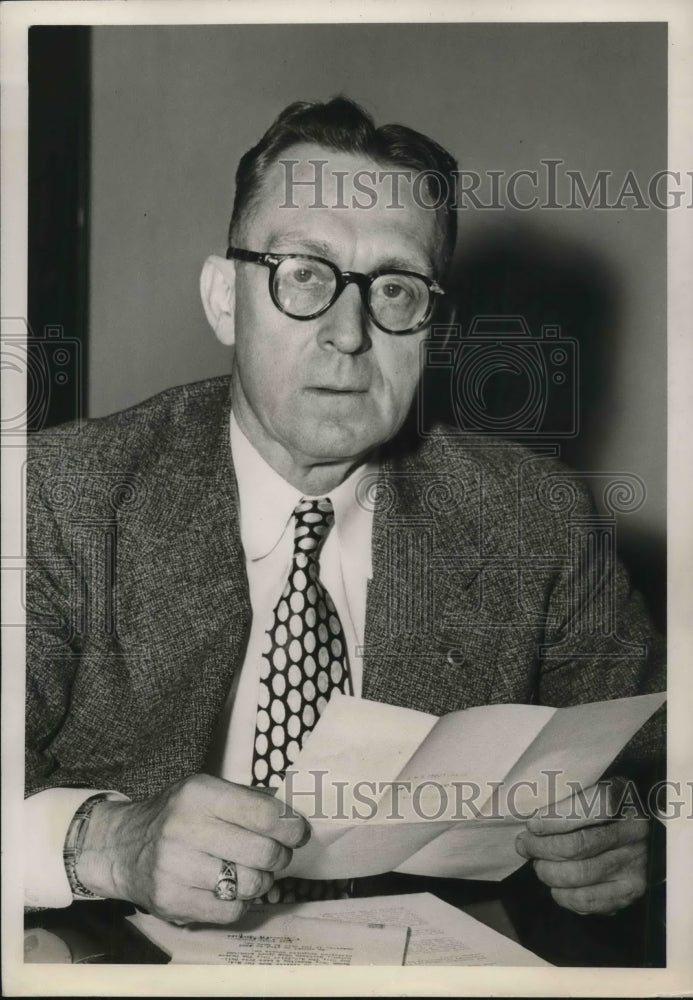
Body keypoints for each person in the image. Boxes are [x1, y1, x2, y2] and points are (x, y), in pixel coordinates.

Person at [25, 97, 664, 930]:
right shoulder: (59, 495)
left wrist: (627, 830)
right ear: (225, 299)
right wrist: (111, 843)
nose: (349, 333)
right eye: (303, 276)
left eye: (395, 289)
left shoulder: (531, 518)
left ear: (430, 328)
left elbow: (649, 764)